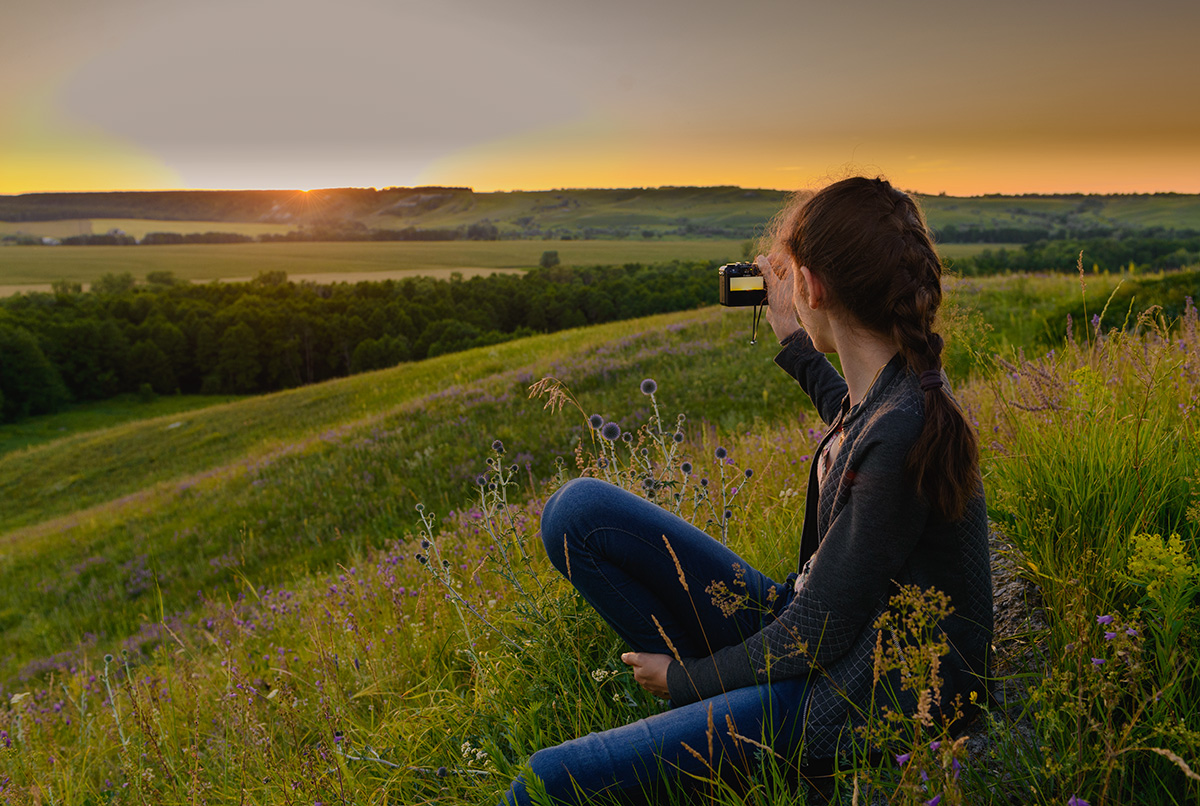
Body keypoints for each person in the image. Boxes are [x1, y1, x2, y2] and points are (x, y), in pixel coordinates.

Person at [501, 176, 992, 805]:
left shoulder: (902, 429)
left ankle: (735, 736)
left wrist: (684, 680)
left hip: (849, 692)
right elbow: (849, 416)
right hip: (806, 625)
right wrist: (794, 340)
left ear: (812, 285)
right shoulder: (893, 396)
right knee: (580, 513)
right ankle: (716, 734)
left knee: (539, 786)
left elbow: (818, 632)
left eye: (793, 278)